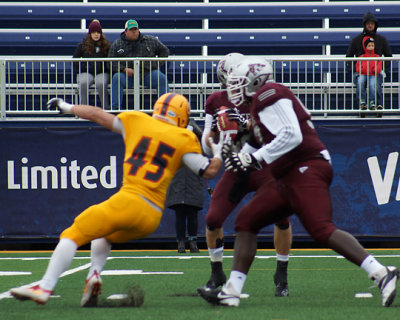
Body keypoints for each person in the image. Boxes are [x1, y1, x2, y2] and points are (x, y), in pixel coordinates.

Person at [198, 57, 399, 308]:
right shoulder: (260, 104)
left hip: (307, 166)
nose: (234, 89)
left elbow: (291, 135)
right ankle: (231, 291)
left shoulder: (270, 93)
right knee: (246, 221)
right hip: (287, 174)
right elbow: (260, 140)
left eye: (239, 83)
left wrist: (254, 157)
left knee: (320, 229)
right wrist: (240, 155)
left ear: (255, 80)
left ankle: (381, 273)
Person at [10, 92, 226, 307]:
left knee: (72, 233)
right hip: (151, 216)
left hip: (130, 200)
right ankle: (93, 276)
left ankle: (45, 286)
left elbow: (97, 114)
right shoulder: (185, 138)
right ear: (182, 117)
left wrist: (66, 107)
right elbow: (209, 171)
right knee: (102, 233)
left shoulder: (136, 120)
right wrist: (217, 151)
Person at [199, 53, 292, 297]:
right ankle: (216, 271)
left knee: (282, 218)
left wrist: (243, 125)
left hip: (264, 166)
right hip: (235, 167)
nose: (233, 84)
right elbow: (207, 146)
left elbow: (277, 132)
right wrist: (220, 132)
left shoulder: (265, 97)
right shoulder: (216, 100)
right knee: (212, 218)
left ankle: (281, 275)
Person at [108, 19, 170, 109]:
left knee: (161, 78)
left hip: (147, 74)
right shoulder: (117, 44)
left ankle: (165, 108)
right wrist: (123, 69)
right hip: (127, 76)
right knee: (117, 78)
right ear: (125, 32)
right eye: (131, 30)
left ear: (138, 30)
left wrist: (155, 65)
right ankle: (115, 109)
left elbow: (165, 51)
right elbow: (110, 62)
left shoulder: (150, 40)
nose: (134, 32)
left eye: (135, 30)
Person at [166, 119, 204, 253]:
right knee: (180, 213)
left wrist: (191, 127)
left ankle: (193, 242)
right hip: (178, 179)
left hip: (193, 179)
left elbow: (202, 137)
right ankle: (181, 242)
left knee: (192, 212)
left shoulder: (198, 146)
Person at [346, 12, 392, 116]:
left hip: (375, 71)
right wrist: (356, 70)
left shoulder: (381, 39)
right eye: (368, 23)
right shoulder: (356, 40)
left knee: (374, 83)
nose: (370, 25)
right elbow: (348, 57)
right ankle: (362, 108)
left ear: (375, 25)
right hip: (360, 72)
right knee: (360, 82)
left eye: (372, 23)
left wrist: (381, 69)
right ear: (364, 25)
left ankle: (378, 107)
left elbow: (389, 56)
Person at [73, 19, 111, 109]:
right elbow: (75, 61)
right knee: (83, 82)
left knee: (101, 83)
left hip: (102, 72)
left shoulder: (106, 45)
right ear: (90, 33)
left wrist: (104, 67)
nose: (96, 34)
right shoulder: (82, 45)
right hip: (87, 72)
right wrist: (84, 67)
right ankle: (84, 109)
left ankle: (105, 109)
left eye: (98, 32)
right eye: (94, 32)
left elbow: (110, 61)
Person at [355, 37, 383, 117]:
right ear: (365, 47)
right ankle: (362, 102)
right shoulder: (361, 57)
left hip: (373, 74)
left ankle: (372, 102)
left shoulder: (377, 57)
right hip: (363, 74)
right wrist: (364, 70)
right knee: (360, 82)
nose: (371, 47)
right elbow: (358, 67)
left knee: (372, 84)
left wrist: (375, 70)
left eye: (372, 45)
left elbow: (379, 66)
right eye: (369, 45)